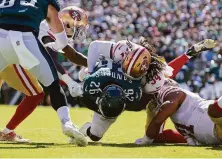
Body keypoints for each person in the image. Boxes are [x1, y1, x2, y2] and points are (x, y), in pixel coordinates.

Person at [0, 0, 87, 146]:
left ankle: (7, 132)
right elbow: (69, 53)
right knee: (53, 86)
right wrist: (93, 63)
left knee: (38, 92)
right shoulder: (47, 7)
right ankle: (67, 123)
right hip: (24, 39)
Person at [134, 40, 221, 145]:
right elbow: (157, 131)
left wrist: (146, 140)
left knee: (214, 110)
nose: (171, 78)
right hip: (211, 129)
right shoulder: (169, 95)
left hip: (211, 128)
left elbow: (157, 129)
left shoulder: (166, 97)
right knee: (213, 110)